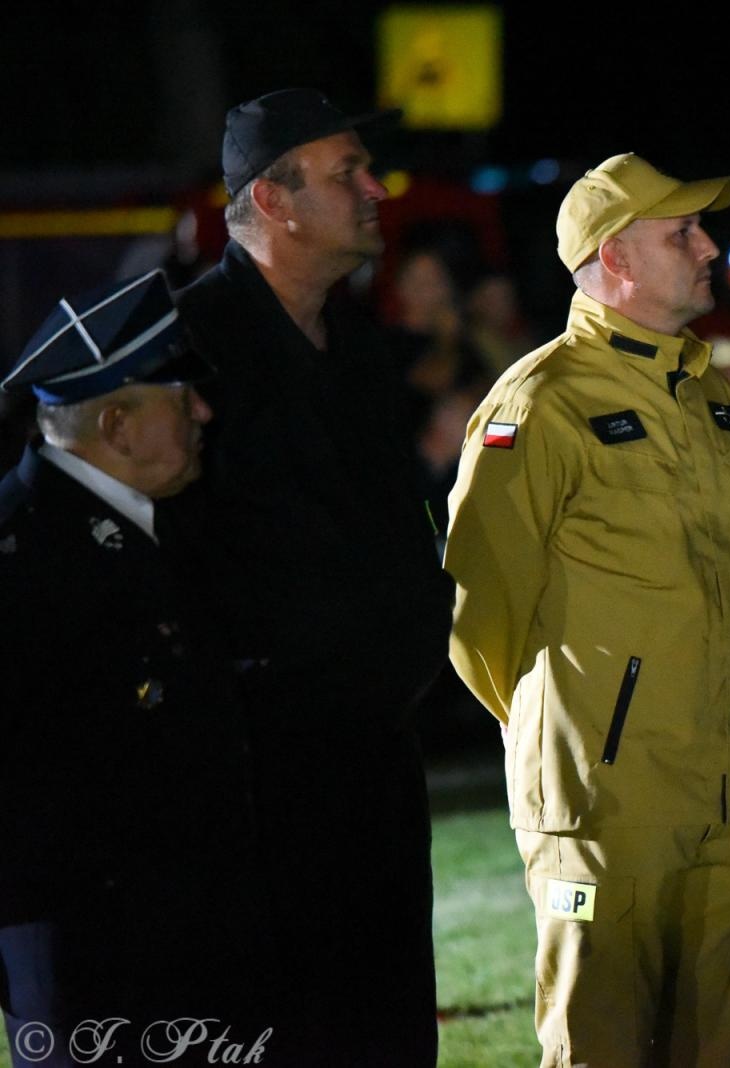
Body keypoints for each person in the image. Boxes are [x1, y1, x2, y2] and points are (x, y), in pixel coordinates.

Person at [445, 153, 730, 1067]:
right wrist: (579, 739)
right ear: (617, 258)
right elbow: (477, 615)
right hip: (604, 808)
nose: (709, 248)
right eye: (683, 233)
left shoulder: (708, 394)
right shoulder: (541, 402)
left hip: (726, 794)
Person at [164, 89, 453, 1065]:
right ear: (273, 200)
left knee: (388, 1023)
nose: (377, 190)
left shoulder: (355, 340)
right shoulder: (186, 348)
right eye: (347, 173)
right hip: (256, 782)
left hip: (374, 756)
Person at [0, 273, 264, 1065]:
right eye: (180, 399)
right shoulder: (22, 551)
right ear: (115, 425)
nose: (203, 413)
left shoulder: (153, 522)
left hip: (182, 929)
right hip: (91, 955)